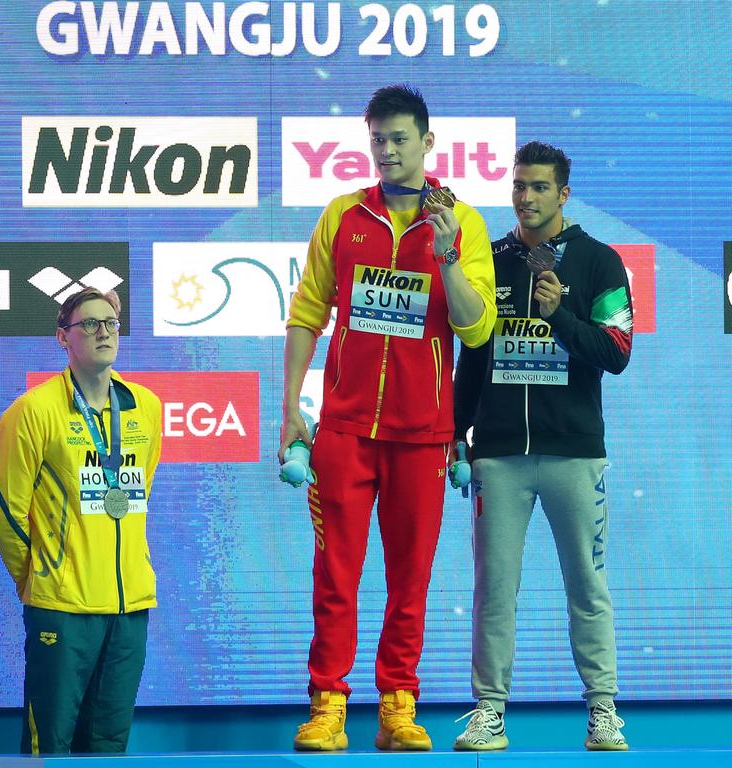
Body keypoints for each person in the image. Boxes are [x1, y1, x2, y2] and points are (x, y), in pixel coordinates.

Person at [280, 84, 497, 752]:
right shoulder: (342, 215)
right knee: (334, 575)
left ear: (428, 143)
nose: (389, 150)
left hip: (423, 435)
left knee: (411, 580)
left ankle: (398, 706)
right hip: (343, 432)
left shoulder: (464, 223)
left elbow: (478, 325)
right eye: (378, 139)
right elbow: (307, 313)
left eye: (401, 139)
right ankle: (328, 706)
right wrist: (289, 408)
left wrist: (447, 255)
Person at [452, 141, 633, 752]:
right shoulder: (491, 260)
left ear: (563, 194)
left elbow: (617, 353)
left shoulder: (602, 263)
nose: (525, 198)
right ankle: (489, 712)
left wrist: (560, 318)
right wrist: (456, 432)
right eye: (518, 187)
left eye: (538, 188)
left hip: (575, 454)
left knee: (587, 581)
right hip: (498, 454)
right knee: (494, 585)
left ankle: (603, 710)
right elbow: (472, 355)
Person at [0, 287, 162, 755]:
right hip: (62, 607)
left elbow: (137, 489)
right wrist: (40, 578)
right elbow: (6, 512)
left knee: (109, 743)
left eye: (110, 323)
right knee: (52, 743)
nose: (103, 332)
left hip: (129, 608)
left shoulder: (146, 407)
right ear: (62, 337)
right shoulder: (31, 412)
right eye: (89, 323)